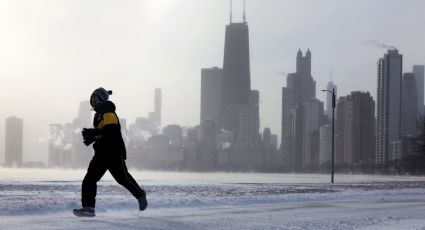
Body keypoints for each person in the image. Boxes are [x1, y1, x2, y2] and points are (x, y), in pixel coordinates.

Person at [73, 87, 148, 217]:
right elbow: (103, 133)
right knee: (89, 179)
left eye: (95, 98)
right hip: (101, 154)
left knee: (123, 179)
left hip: (113, 152)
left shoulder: (108, 112)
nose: (93, 101)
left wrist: (94, 132)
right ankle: (88, 208)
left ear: (101, 99)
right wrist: (93, 137)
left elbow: (111, 131)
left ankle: (140, 195)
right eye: (92, 99)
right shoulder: (99, 114)